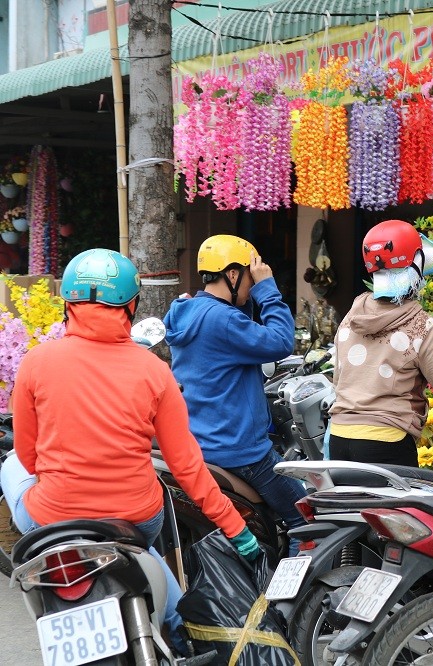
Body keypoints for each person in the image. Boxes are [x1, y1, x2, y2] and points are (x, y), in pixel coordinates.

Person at [0, 248, 258, 651]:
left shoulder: (36, 362)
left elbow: (30, 457)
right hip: (136, 521)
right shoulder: (154, 370)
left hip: (53, 518)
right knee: (173, 612)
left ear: (68, 303)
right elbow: (187, 466)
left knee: (12, 464)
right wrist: (235, 528)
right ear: (131, 305)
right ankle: (175, 629)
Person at [163, 235, 306, 553]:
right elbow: (282, 342)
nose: (252, 285)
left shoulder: (185, 311)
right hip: (241, 451)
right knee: (305, 521)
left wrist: (250, 295)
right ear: (232, 275)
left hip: (201, 443)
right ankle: (294, 601)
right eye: (249, 277)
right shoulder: (223, 319)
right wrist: (267, 289)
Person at [327, 219, 433, 467]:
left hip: (340, 438)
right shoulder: (424, 327)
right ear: (417, 267)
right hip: (387, 442)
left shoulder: (351, 319)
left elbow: (339, 382)